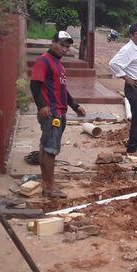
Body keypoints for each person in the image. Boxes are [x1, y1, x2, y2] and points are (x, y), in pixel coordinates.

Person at [30, 31, 86, 198]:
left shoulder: (58, 65)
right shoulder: (44, 60)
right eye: (61, 44)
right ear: (53, 42)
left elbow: (63, 90)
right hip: (52, 113)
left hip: (59, 111)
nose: (64, 49)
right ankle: (49, 186)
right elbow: (34, 85)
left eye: (67, 47)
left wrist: (74, 105)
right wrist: (42, 106)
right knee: (50, 150)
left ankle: (47, 183)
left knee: (45, 147)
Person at [109, 23, 137, 153]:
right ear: (132, 35)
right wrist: (127, 79)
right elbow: (114, 64)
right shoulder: (128, 49)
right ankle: (132, 146)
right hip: (135, 87)